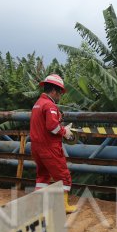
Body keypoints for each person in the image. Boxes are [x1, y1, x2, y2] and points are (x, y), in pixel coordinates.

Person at [30, 74, 77, 213]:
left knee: (42, 176)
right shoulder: (49, 105)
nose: (60, 96)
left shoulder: (37, 104)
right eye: (60, 93)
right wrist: (65, 132)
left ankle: (39, 205)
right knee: (64, 176)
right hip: (49, 148)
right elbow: (52, 126)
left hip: (36, 147)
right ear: (54, 91)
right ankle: (64, 206)